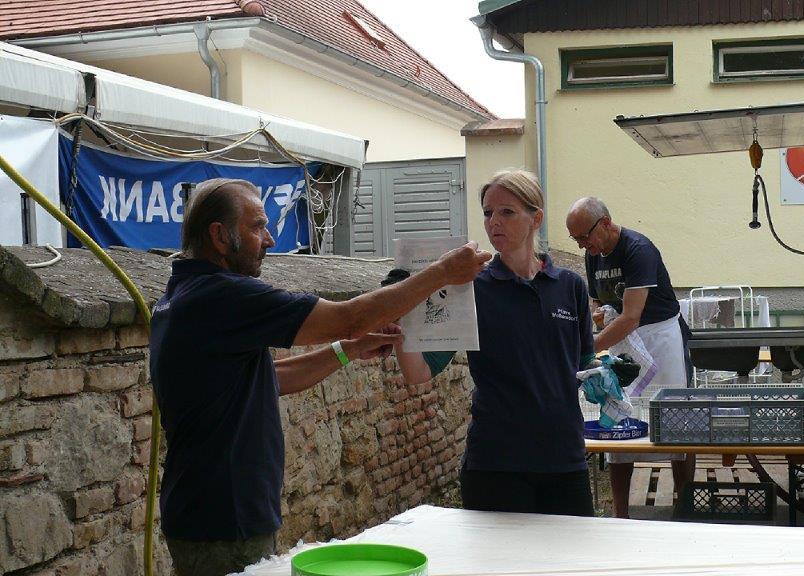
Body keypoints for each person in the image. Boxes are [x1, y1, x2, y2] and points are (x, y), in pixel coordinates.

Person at [149, 178, 490, 576]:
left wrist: (348, 350)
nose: (269, 239)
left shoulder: (185, 295)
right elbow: (350, 318)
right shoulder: (220, 296)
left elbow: (268, 379)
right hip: (224, 520)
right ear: (220, 236)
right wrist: (443, 272)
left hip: (209, 514)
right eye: (257, 226)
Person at [393, 169, 595, 517]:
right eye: (488, 212)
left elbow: (585, 365)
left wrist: (608, 373)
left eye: (507, 212)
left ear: (536, 219)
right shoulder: (470, 289)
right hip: (496, 465)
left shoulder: (570, 286)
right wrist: (400, 312)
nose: (493, 222)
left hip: (565, 460)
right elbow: (419, 372)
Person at [565, 196, 695, 519]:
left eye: (584, 236)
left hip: (660, 338)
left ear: (606, 223)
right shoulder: (593, 254)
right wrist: (599, 314)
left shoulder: (639, 250)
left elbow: (631, 316)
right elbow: (598, 302)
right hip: (623, 341)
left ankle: (684, 506)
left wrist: (588, 348)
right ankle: (620, 514)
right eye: (575, 239)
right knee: (618, 420)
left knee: (676, 424)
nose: (581, 245)